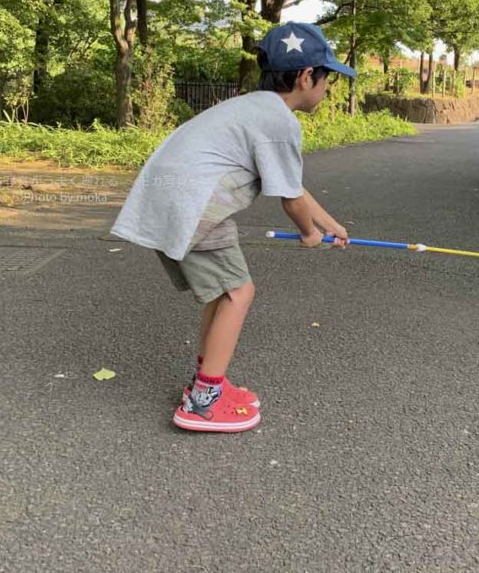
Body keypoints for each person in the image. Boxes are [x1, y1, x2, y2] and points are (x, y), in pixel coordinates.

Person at [110, 22, 355, 432]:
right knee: (238, 293)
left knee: (225, 294)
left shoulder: (253, 108)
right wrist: (312, 236)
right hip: (195, 205)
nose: (326, 89)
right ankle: (203, 402)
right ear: (305, 76)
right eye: (325, 78)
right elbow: (290, 200)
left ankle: (208, 385)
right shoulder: (279, 121)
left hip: (178, 201)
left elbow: (292, 186)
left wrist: (332, 225)